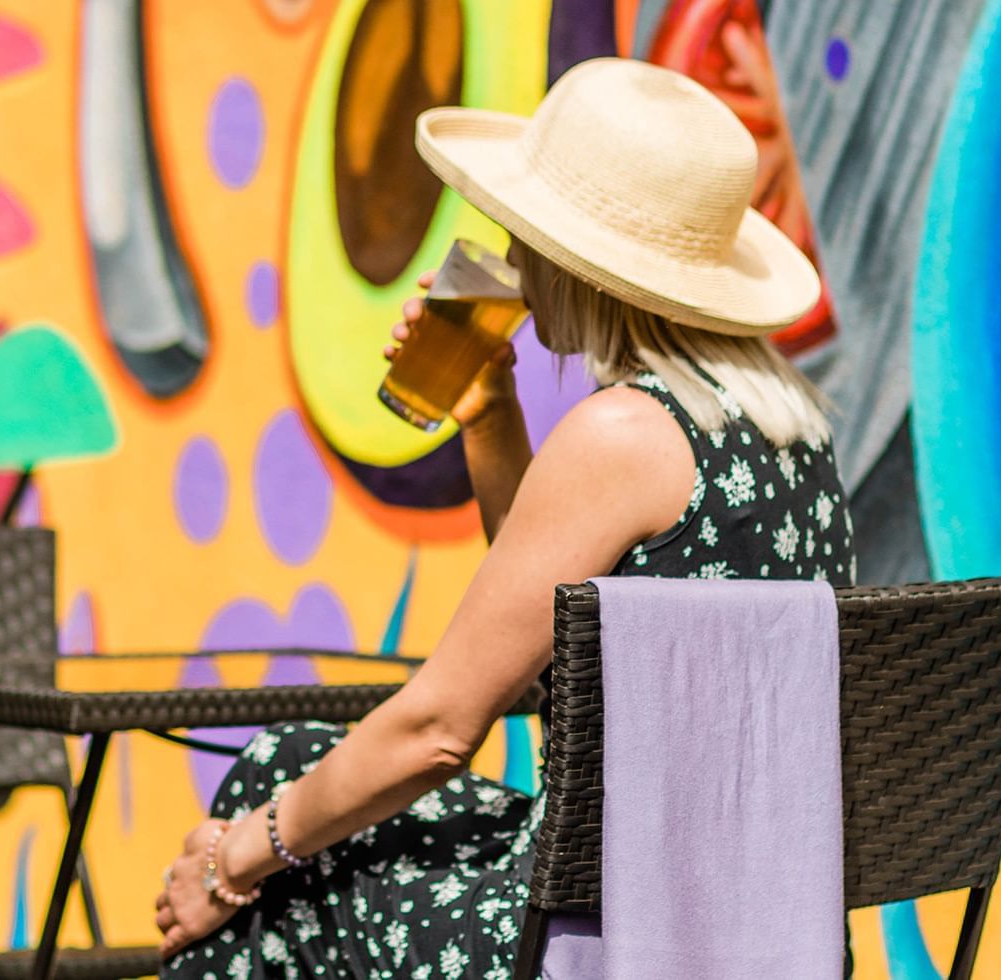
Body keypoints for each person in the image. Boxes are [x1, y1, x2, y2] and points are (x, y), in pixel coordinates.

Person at [156, 57, 855, 979]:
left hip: (611, 936)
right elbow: (563, 629)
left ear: (587, 267)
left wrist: (232, 858)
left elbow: (439, 731)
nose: (514, 259)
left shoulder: (621, 433)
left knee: (275, 844)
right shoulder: (791, 431)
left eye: (528, 234)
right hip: (754, 931)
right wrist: (491, 417)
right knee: (292, 766)